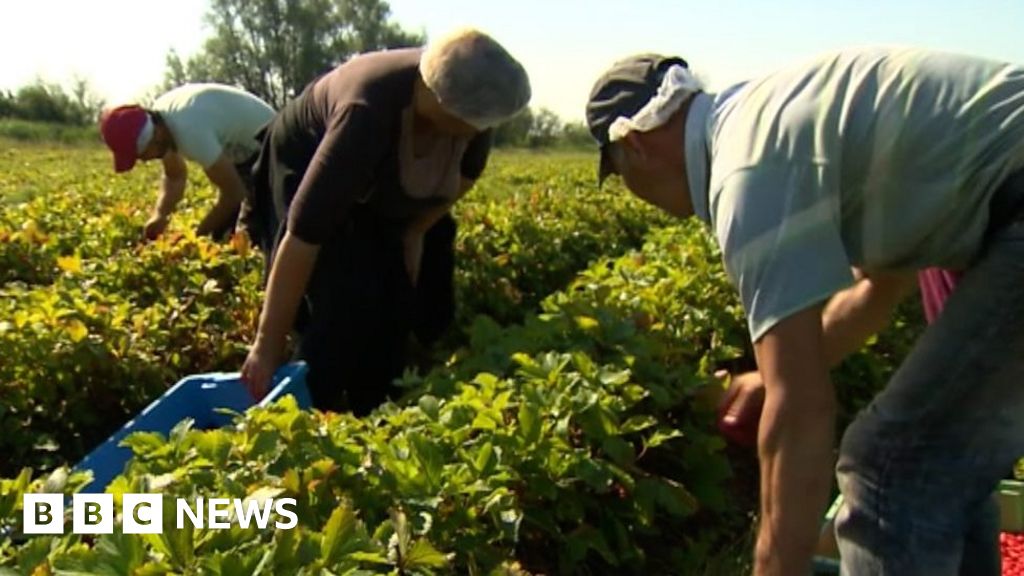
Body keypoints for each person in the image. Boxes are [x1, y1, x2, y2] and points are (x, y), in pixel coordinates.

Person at [585, 48, 1024, 575]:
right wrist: (769, 381)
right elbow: (880, 288)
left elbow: (802, 411)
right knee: (943, 462)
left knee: (888, 468)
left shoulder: (745, 173)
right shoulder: (764, 118)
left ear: (634, 146)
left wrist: (775, 563)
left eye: (619, 173)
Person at [240, 28, 530, 415]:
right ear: (442, 102)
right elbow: (303, 235)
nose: (481, 130)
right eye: (475, 124)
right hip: (305, 156)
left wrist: (413, 234)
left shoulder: (473, 115)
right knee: (345, 292)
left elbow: (459, 184)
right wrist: (265, 346)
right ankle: (302, 410)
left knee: (403, 297)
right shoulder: (367, 110)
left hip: (382, 168)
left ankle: (381, 400)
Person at [99, 83, 276, 242]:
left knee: (248, 238)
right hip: (245, 151)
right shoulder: (161, 120)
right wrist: (160, 215)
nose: (144, 161)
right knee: (223, 233)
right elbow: (174, 175)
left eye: (141, 155)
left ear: (154, 138)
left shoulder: (189, 131)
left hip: (275, 148)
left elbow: (234, 193)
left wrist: (195, 237)